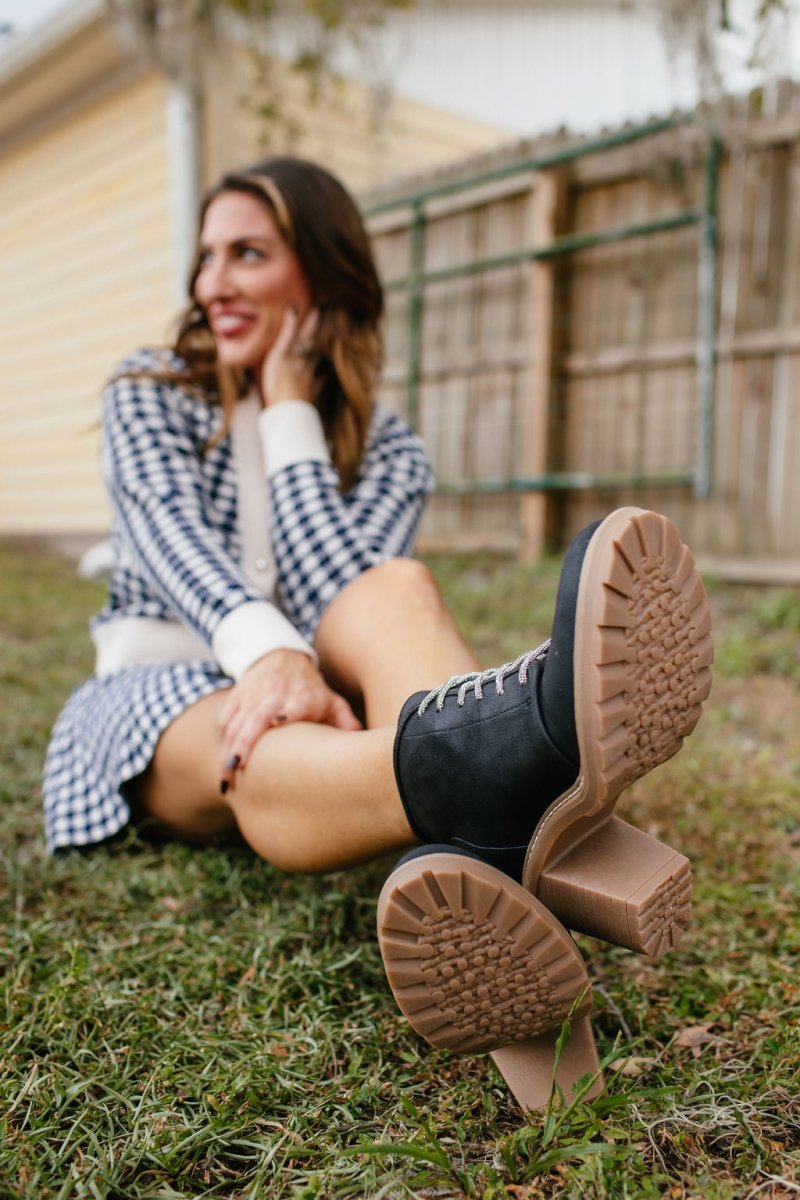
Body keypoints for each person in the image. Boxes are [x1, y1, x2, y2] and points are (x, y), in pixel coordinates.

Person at [43, 157, 713, 1111]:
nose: (213, 284)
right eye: (207, 258)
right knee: (264, 729)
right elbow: (168, 536)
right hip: (158, 695)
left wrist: (289, 414)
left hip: (333, 704)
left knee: (395, 585)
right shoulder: (150, 394)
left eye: (247, 254)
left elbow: (341, 590)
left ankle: (491, 817)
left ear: (323, 275)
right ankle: (519, 769)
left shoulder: (389, 448)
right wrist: (267, 652)